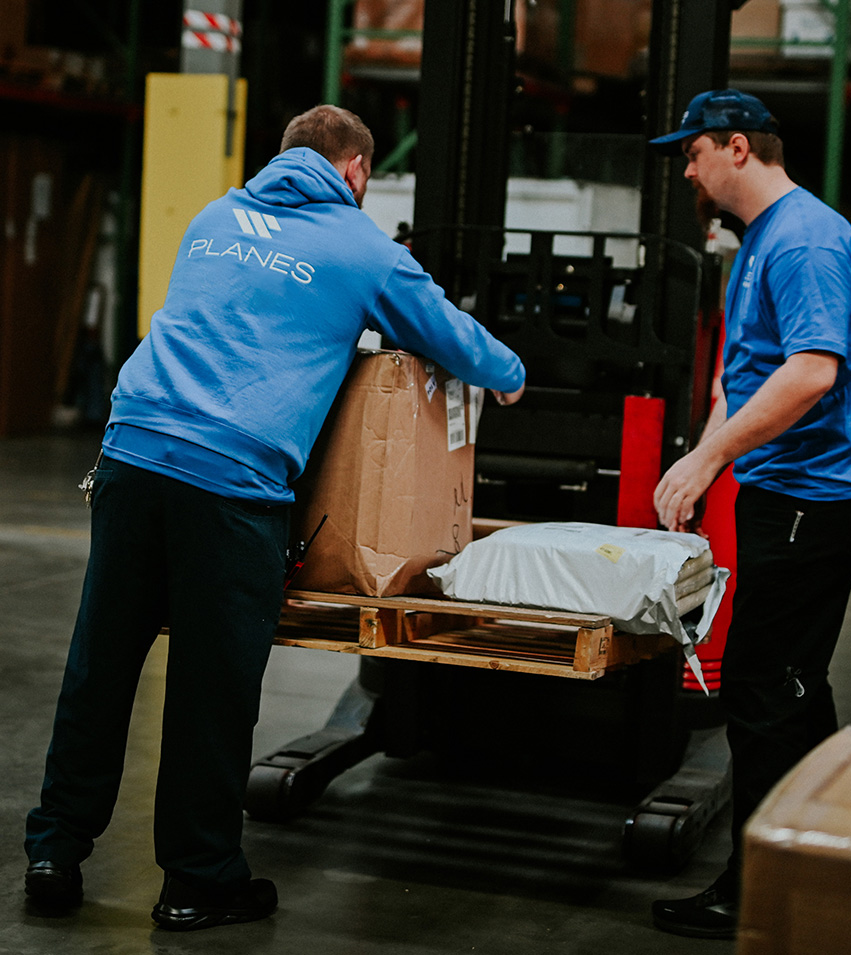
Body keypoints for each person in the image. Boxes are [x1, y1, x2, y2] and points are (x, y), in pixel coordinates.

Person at [24, 104, 525, 931]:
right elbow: (451, 338)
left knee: (100, 665)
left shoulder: (216, 218)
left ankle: (56, 850)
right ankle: (198, 879)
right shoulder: (364, 248)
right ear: (356, 170)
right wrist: (508, 374)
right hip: (230, 484)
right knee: (209, 691)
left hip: (132, 453)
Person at [647, 89, 851, 940]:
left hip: (817, 496)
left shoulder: (805, 239)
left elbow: (811, 373)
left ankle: (757, 890)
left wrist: (710, 457)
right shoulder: (762, 241)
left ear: (738, 147)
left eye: (694, 151)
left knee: (763, 687)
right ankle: (820, 850)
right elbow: (742, 379)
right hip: (785, 491)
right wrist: (701, 461)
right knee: (789, 685)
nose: (687, 168)